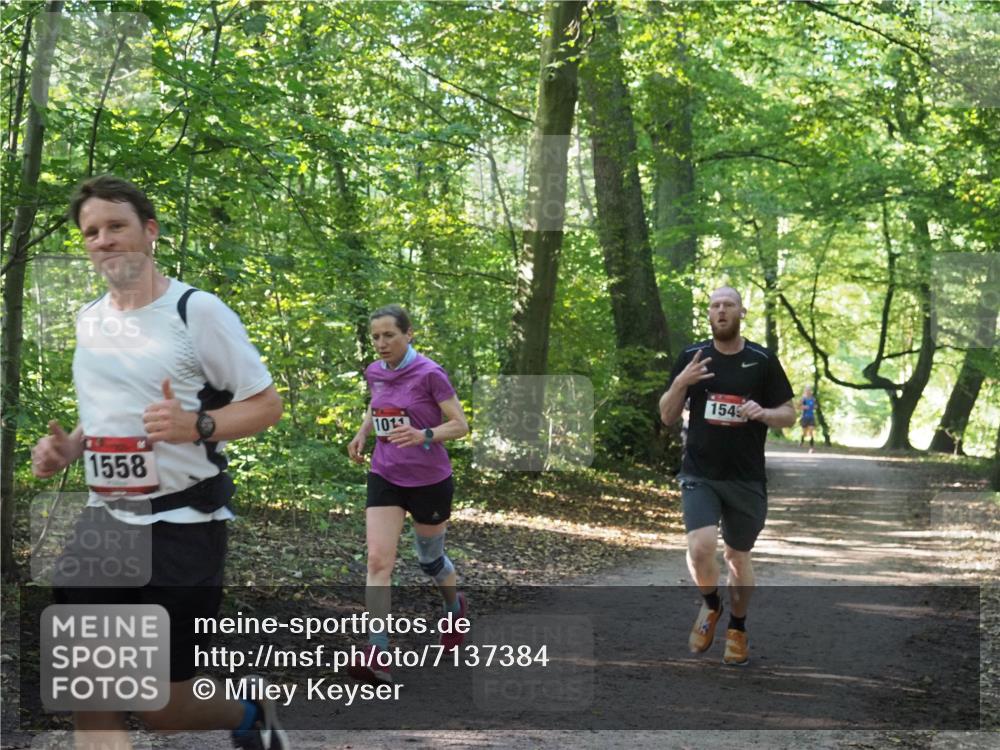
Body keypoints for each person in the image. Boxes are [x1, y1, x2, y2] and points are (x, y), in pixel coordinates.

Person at [31, 175, 288, 750]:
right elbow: (107, 408)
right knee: (91, 693)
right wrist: (71, 447)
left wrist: (197, 424)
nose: (102, 240)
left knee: (163, 709)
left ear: (149, 233)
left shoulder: (196, 311)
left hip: (181, 527)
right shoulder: (89, 319)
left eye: (115, 226)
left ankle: (249, 714)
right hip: (104, 525)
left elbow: (266, 405)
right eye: (91, 231)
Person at [658, 286, 795, 666]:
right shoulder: (692, 357)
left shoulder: (762, 360)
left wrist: (764, 414)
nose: (721, 311)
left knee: (737, 557)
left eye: (728, 305)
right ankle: (710, 605)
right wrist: (681, 383)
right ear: (709, 314)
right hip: (700, 472)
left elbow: (789, 412)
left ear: (741, 312)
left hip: (746, 477)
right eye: (715, 306)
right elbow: (667, 416)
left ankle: (737, 625)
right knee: (700, 547)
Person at [347, 305, 470, 684]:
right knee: (377, 562)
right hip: (386, 474)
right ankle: (377, 649)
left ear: (408, 334)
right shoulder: (373, 371)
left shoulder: (430, 374)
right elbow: (376, 402)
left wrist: (425, 435)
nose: (381, 344)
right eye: (376, 337)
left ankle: (455, 608)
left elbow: (461, 425)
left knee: (429, 560)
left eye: (389, 336)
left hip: (429, 480)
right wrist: (364, 432)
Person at [800, 386, 818, 452]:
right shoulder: (803, 399)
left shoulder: (813, 399)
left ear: (811, 391)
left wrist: (815, 407)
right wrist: (804, 407)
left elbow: (816, 406)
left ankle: (811, 447)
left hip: (811, 417)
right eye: (807, 390)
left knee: (811, 432)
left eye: (809, 390)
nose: (808, 391)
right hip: (804, 417)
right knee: (804, 433)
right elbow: (799, 406)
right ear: (805, 391)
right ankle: (802, 440)